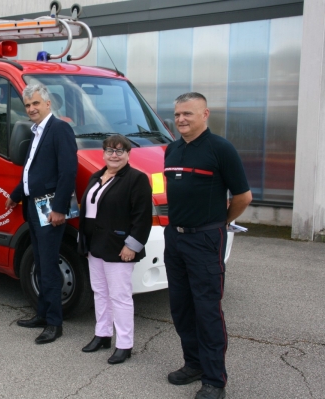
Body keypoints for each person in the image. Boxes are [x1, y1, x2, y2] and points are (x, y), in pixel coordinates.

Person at [164, 92, 252, 399]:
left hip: (205, 239)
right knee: (181, 307)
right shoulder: (171, 150)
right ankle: (194, 364)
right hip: (174, 238)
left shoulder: (221, 149)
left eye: (188, 113)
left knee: (207, 310)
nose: (181, 119)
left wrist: (221, 223)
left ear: (205, 115)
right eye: (177, 114)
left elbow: (243, 197)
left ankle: (215, 380)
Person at [5, 84, 78, 344]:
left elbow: (68, 171)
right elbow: (30, 172)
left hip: (49, 210)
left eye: (36, 103)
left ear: (48, 104)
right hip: (32, 206)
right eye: (27, 105)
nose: (32, 109)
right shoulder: (36, 131)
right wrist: (15, 195)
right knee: (40, 262)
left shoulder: (60, 129)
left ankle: (54, 324)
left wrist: (59, 208)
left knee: (48, 267)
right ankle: (42, 314)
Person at [77, 134, 152, 364]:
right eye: (110, 150)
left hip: (119, 248)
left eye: (120, 151)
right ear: (103, 153)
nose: (114, 155)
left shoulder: (136, 179)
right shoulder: (96, 177)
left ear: (128, 154)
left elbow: (142, 217)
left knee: (120, 296)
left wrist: (132, 245)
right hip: (94, 245)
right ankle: (102, 335)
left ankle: (124, 344)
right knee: (99, 292)